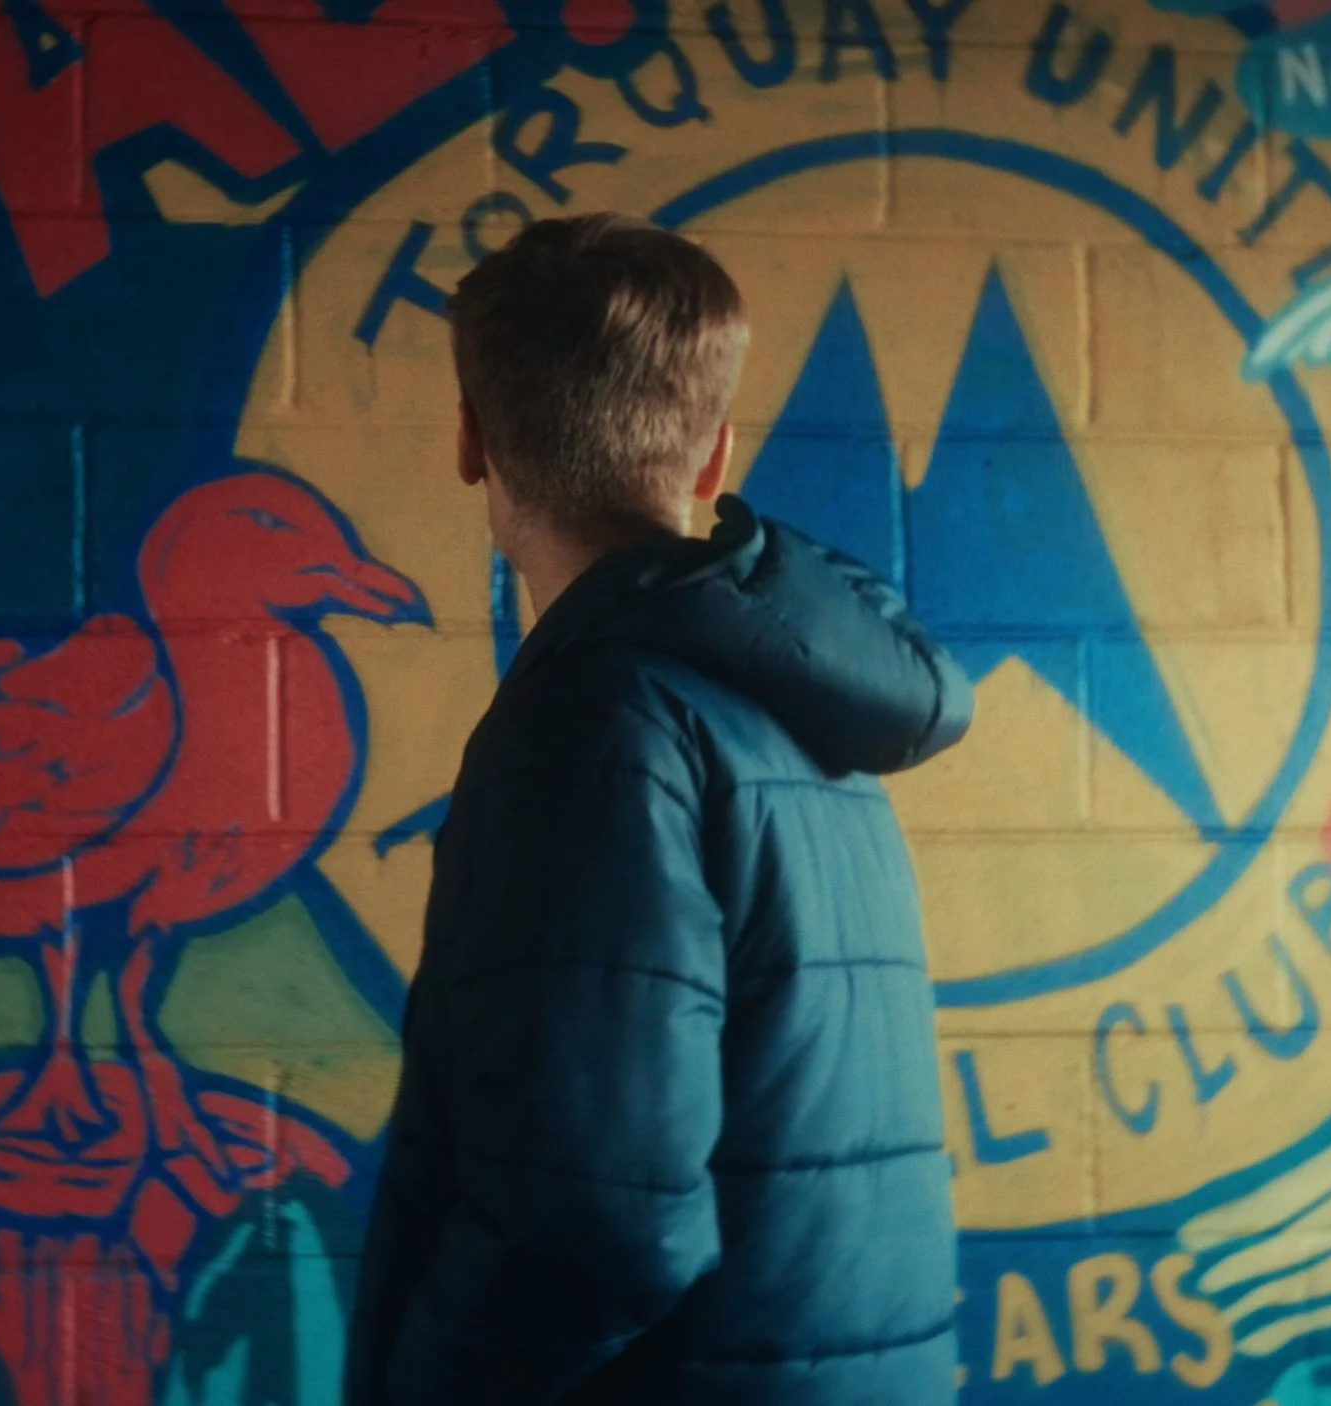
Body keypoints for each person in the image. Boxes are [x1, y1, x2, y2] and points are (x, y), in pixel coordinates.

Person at [345, 213, 972, 1406]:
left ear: (472, 439)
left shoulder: (594, 727)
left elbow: (593, 1225)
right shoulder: (806, 713)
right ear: (713, 454)